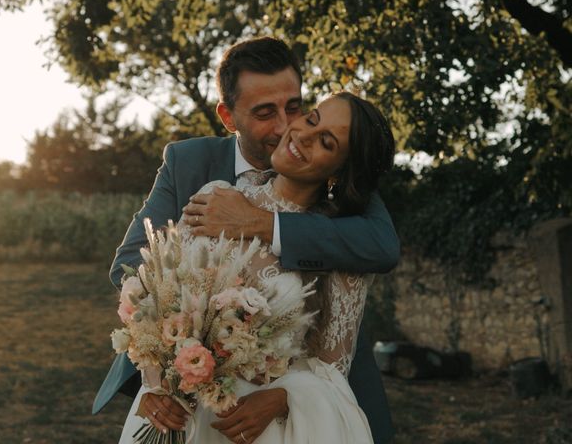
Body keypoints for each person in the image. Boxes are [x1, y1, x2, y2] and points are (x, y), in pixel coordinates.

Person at [93, 37, 399, 444]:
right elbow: (139, 272)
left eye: (294, 108)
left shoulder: (343, 208)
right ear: (228, 116)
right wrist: (163, 372)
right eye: (264, 112)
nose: (286, 127)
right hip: (187, 406)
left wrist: (263, 224)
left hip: (286, 420)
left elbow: (380, 246)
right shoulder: (198, 175)